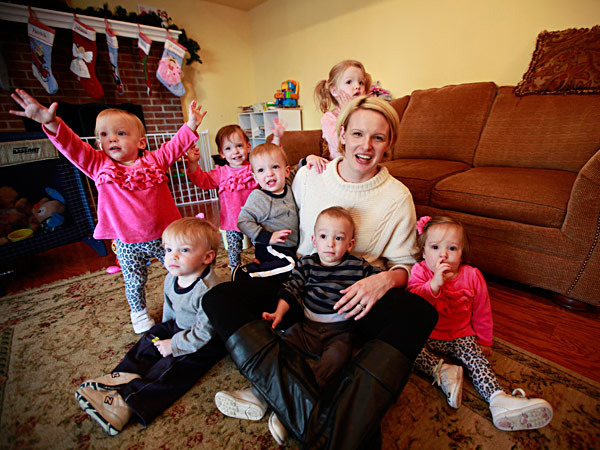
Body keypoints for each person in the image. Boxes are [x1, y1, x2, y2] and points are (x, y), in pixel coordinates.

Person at [202, 96, 439, 450]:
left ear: (389, 143)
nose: (366, 146)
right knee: (218, 298)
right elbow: (277, 199)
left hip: (355, 299)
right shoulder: (310, 176)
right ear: (341, 134)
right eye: (357, 133)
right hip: (301, 282)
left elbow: (405, 263)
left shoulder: (397, 196)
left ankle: (282, 400)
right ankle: (318, 415)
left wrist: (383, 279)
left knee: (419, 313)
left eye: (378, 137)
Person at [9, 89, 206, 334]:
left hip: (164, 237)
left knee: (183, 269)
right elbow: (72, 146)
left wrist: (191, 124)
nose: (112, 139)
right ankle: (138, 312)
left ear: (141, 142)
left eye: (120, 133)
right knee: (134, 279)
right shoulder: (98, 164)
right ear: (98, 143)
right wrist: (51, 123)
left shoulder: (154, 161)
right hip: (126, 241)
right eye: (104, 135)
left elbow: (175, 146)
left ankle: (193, 300)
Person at [74, 217, 226, 436]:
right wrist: (164, 335)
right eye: (169, 249)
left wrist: (173, 345)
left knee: (172, 367)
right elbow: (170, 309)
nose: (173, 256)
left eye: (184, 250)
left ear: (207, 257)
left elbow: (204, 333)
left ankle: (127, 403)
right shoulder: (172, 278)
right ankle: (121, 378)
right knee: (151, 337)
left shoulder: (210, 291)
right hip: (180, 327)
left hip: (205, 341)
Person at [407, 215, 553, 431]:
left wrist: (484, 340)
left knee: (477, 361)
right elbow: (413, 302)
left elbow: (482, 311)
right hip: (428, 333)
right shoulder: (420, 271)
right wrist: (434, 284)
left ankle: (498, 399)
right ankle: (443, 371)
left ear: (462, 253)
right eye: (435, 247)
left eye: (452, 248)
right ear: (423, 252)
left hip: (460, 335)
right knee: (405, 346)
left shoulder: (472, 275)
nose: (443, 254)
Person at [186, 124, 258, 271]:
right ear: (221, 153)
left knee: (261, 246)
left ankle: (262, 266)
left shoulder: (255, 168)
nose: (235, 151)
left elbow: (270, 164)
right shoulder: (221, 173)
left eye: (239, 146)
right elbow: (202, 180)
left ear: (248, 147)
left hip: (255, 219)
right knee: (233, 250)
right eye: (228, 148)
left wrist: (276, 139)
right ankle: (235, 271)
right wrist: (193, 163)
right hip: (232, 221)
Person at [234, 143, 298, 280]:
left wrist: (308, 159)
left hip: (287, 247)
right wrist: (268, 237)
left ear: (286, 171)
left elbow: (297, 170)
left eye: (275, 167)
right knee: (292, 265)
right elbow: (243, 221)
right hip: (270, 246)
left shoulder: (287, 184)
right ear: (255, 177)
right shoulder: (260, 197)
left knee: (290, 274)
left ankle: (263, 276)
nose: (269, 174)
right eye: (261, 170)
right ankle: (246, 273)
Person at [314, 60, 371, 160]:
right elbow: (341, 145)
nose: (357, 86)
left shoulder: (368, 114)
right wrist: (346, 113)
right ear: (334, 90)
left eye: (361, 83)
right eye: (349, 82)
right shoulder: (329, 118)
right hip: (340, 165)